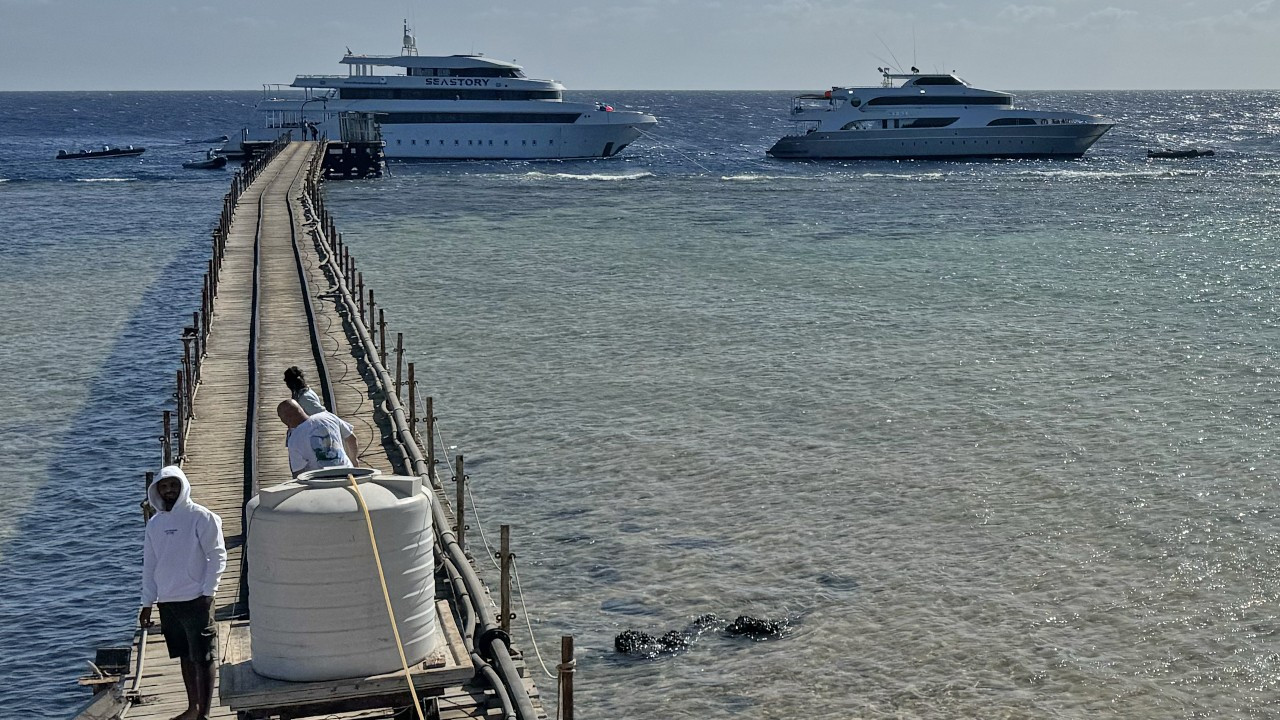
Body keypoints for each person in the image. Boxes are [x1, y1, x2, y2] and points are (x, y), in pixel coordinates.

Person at [139, 466, 226, 720]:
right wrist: (147, 602)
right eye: (164, 487)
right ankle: (192, 707)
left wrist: (209, 591)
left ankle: (205, 714)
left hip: (197, 598)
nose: (169, 491)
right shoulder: (154, 524)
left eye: (173, 486)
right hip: (168, 602)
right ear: (156, 491)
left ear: (183, 486)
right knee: (185, 656)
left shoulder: (201, 516)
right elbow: (150, 565)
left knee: (204, 656)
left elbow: (217, 556)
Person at [278, 398, 359, 476]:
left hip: (322, 482)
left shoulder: (294, 439)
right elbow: (351, 438)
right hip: (348, 473)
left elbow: (298, 472)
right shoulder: (328, 416)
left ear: (286, 420)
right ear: (301, 409)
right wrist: (354, 460)